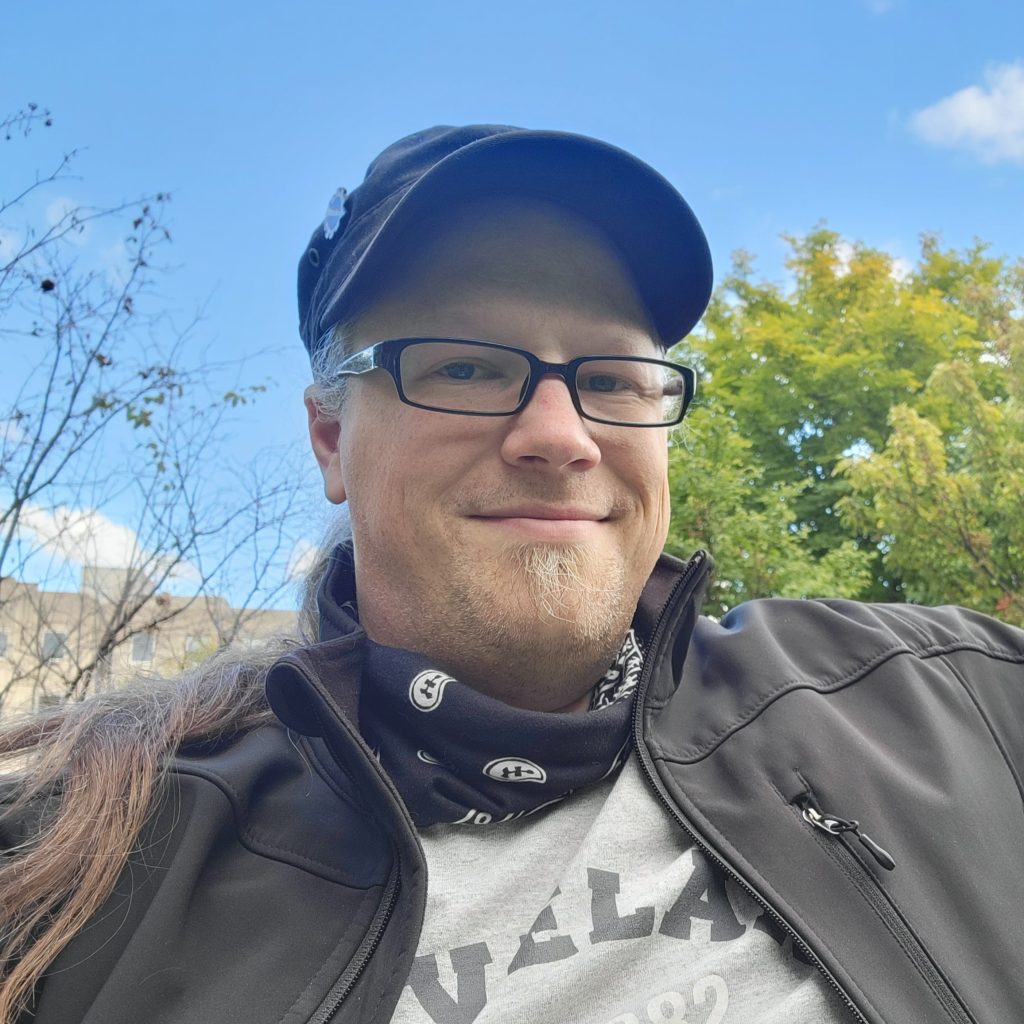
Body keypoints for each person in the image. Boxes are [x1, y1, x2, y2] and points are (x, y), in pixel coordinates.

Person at [1, 124, 1023, 1024]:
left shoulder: (948, 701)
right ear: (329, 438)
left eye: (612, 378)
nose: (561, 436)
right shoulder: (84, 864)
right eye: (464, 367)